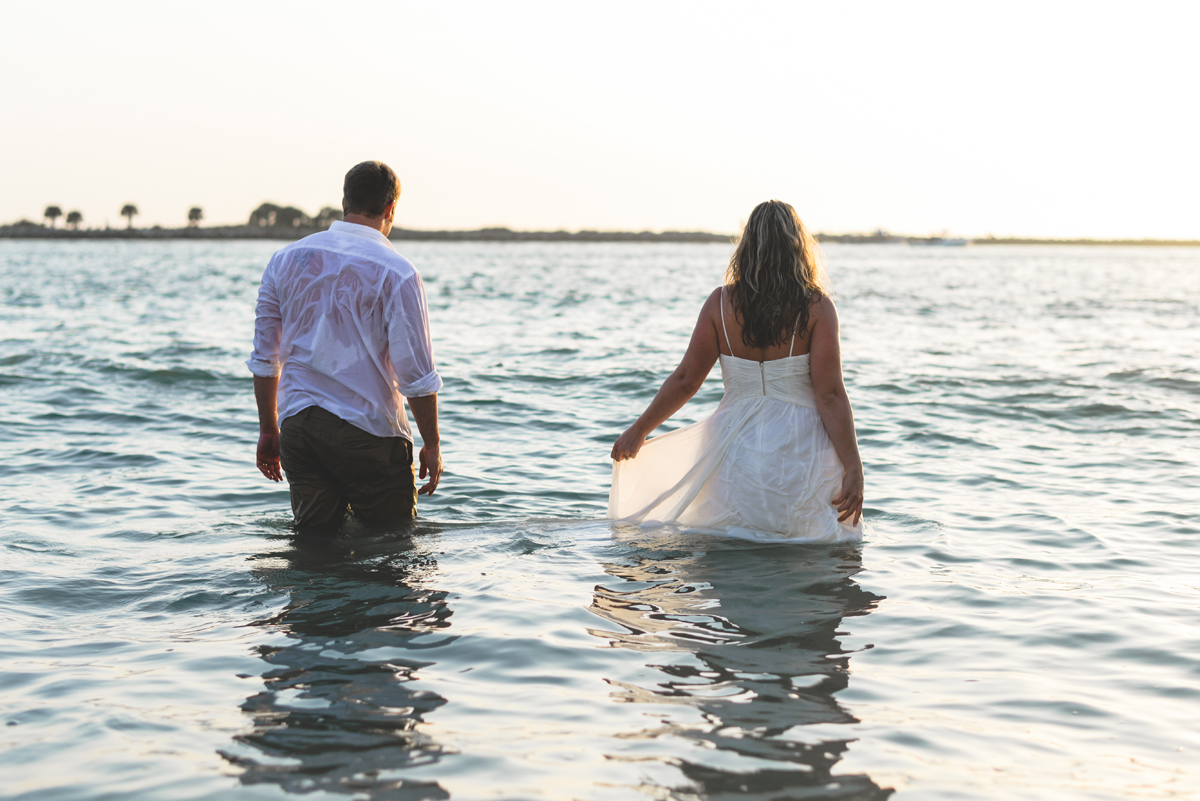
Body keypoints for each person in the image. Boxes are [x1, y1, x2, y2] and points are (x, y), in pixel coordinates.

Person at [608, 200, 863, 541]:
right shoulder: (817, 308)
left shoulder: (720, 304)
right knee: (811, 550)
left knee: (733, 547)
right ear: (798, 246)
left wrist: (638, 431)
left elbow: (686, 381)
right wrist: (853, 466)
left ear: (746, 247)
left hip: (733, 448)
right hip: (799, 449)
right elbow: (829, 394)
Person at [247, 160, 443, 532]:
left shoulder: (284, 260)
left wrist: (269, 431)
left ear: (343, 202)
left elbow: (265, 358)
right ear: (391, 209)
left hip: (299, 428)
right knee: (392, 550)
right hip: (367, 431)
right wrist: (431, 444)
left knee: (314, 549)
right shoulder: (398, 271)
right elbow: (415, 375)